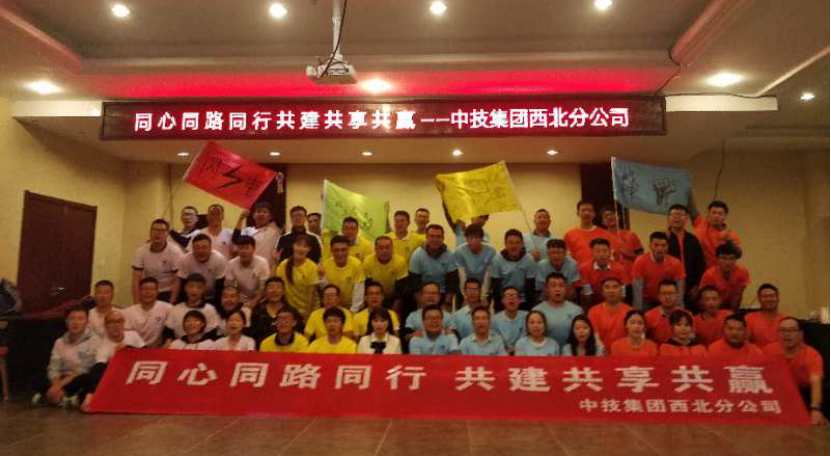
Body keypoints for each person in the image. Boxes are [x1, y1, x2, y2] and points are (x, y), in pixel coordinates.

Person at [763, 317, 827, 426]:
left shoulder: (812, 354)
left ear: (801, 334)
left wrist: (815, 409)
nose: (786, 334)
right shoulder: (768, 350)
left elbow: (816, 381)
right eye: (782, 330)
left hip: (803, 394)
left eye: (791, 330)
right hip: (777, 394)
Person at [32, 306, 99, 407]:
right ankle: (63, 398)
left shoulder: (93, 341)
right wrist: (56, 385)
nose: (75, 322)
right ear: (66, 321)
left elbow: (84, 369)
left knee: (88, 378)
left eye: (80, 319)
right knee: (37, 376)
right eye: (72, 318)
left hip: (78, 378)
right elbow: (54, 366)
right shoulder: (59, 342)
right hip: (61, 378)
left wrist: (59, 386)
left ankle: (50, 397)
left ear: (87, 322)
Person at [80, 310, 145, 412]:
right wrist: (115, 359)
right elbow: (98, 371)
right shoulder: (102, 346)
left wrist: (128, 349)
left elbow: (148, 354)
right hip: (116, 381)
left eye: (119, 321)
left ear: (123, 323)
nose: (116, 325)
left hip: (138, 377)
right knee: (89, 375)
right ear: (106, 326)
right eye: (112, 322)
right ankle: (89, 396)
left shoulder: (133, 335)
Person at [132, 219, 184, 303]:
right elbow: (136, 279)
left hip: (168, 291)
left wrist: (171, 303)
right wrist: (136, 303)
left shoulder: (175, 251)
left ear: (167, 234)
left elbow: (177, 280)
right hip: (149, 289)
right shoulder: (141, 251)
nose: (157, 233)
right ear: (150, 232)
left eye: (162, 231)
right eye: (155, 230)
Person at [666, 204, 707, 310]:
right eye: (674, 214)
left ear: (686, 218)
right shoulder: (664, 239)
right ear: (668, 218)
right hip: (669, 287)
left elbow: (700, 265)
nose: (677, 217)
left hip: (691, 287)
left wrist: (697, 286)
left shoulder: (693, 240)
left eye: (681, 215)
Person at [632, 232, 686, 311]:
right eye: (656, 245)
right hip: (647, 301)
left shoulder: (675, 263)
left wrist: (680, 310)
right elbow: (637, 292)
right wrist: (638, 313)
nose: (660, 249)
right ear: (650, 246)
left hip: (668, 300)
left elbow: (680, 291)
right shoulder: (640, 262)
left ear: (667, 247)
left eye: (663, 245)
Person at [409, 224, 458, 307]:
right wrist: (421, 303)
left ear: (443, 238)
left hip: (442, 293)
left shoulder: (450, 255)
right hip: (423, 294)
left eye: (438, 236)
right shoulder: (417, 255)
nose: (435, 239)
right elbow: (414, 283)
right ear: (426, 237)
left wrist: (447, 303)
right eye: (432, 236)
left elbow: (452, 282)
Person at [533, 273, 583, 347]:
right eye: (553, 286)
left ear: (566, 288)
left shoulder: (577, 311)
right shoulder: (537, 311)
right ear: (546, 289)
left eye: (561, 285)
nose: (557, 289)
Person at [164, 274, 220, 342]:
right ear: (185, 288)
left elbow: (212, 333)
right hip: (179, 345)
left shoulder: (210, 309)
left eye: (199, 287)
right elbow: (168, 330)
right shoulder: (176, 308)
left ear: (204, 289)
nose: (194, 290)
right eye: (191, 286)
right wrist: (169, 340)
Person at [491, 229, 537, 312]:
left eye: (517, 242)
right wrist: (498, 307)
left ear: (522, 244)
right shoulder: (497, 260)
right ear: (505, 244)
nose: (514, 246)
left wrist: (529, 308)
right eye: (510, 242)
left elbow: (530, 287)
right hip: (504, 300)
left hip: (523, 300)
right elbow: (496, 288)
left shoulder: (529, 260)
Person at [275, 234, 319, 318]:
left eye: (305, 246)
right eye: (298, 245)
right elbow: (274, 283)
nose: (301, 249)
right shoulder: (284, 265)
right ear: (293, 246)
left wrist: (307, 315)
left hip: (307, 310)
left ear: (309, 249)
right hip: (289, 311)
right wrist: (275, 262)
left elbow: (311, 295)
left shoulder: (312, 267)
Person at [175, 233, 227, 303]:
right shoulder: (185, 260)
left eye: (204, 247)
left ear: (210, 248)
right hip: (192, 296)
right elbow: (183, 284)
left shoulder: (219, 259)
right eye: (197, 247)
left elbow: (220, 285)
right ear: (192, 249)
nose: (201, 251)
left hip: (213, 296)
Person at [690, 199, 742, 268]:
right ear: (708, 214)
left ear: (725, 216)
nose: (716, 216)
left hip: (720, 271)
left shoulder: (731, 235)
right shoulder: (701, 224)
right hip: (701, 271)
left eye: (720, 214)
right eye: (713, 213)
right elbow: (692, 209)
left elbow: (738, 254)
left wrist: (729, 241)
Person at [578, 238, 630, 308]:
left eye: (605, 251)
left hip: (613, 300)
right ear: (592, 253)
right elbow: (588, 293)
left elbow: (622, 294)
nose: (601, 254)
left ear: (610, 252)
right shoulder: (584, 268)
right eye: (597, 251)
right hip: (592, 301)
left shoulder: (620, 268)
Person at [121, 277, 172, 348]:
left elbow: (171, 330)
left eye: (152, 289)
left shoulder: (167, 308)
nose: (148, 292)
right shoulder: (128, 312)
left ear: (157, 292)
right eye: (145, 289)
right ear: (139, 292)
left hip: (158, 349)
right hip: (135, 349)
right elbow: (126, 335)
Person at [362, 236, 409, 313]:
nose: (384, 251)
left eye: (388, 247)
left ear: (392, 248)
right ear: (375, 249)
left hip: (393, 296)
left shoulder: (400, 262)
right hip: (375, 295)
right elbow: (368, 288)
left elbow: (400, 291)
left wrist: (394, 312)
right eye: (381, 248)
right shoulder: (368, 262)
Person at [453, 224, 496, 303]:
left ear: (482, 238)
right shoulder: (460, 251)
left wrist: (483, 297)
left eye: (477, 237)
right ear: (466, 239)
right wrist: (465, 297)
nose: (473, 240)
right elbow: (462, 275)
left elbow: (488, 276)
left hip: (483, 288)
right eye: (470, 237)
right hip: (464, 289)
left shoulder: (491, 251)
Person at [699, 243, 750, 311]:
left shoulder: (742, 272)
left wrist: (732, 315)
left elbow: (737, 297)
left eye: (731, 258)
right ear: (717, 259)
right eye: (723, 258)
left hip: (731, 305)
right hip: (712, 305)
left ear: (735, 259)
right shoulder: (709, 275)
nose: (727, 262)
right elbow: (706, 299)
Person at [321, 235, 366, 312]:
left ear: (348, 249)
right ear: (331, 250)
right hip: (333, 307)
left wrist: (352, 312)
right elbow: (327, 292)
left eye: (343, 250)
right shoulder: (325, 266)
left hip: (353, 307)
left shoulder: (356, 264)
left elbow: (358, 292)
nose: (340, 254)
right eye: (336, 250)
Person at [224, 235, 270, 308]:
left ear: (254, 249)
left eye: (247, 248)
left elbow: (263, 288)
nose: (243, 251)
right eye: (241, 248)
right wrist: (240, 302)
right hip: (239, 299)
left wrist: (254, 302)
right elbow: (230, 287)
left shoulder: (262, 263)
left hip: (259, 299)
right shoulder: (231, 264)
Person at [233, 202, 282, 269]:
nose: (261, 214)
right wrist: (241, 219)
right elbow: (235, 239)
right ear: (253, 215)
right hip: (248, 269)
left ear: (270, 216)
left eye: (265, 212)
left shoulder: (275, 230)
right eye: (258, 212)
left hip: (267, 269)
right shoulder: (247, 230)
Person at [564, 200, 614, 265]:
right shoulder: (569, 235)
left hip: (599, 270)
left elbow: (610, 257)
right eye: (583, 210)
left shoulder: (605, 234)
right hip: (578, 270)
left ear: (594, 214)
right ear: (578, 213)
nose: (586, 213)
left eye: (590, 210)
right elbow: (568, 258)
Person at [588, 277, 632, 350]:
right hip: (601, 352)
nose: (611, 291)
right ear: (602, 292)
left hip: (624, 352)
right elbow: (594, 335)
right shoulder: (593, 311)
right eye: (607, 287)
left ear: (621, 291)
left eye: (615, 287)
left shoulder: (630, 311)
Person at [644, 280, 693, 344]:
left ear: (677, 295)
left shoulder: (687, 315)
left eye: (671, 293)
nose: (667, 297)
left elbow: (691, 338)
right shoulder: (648, 316)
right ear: (658, 296)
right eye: (664, 293)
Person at [600, 205, 644, 275]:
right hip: (611, 277)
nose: (609, 217)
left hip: (632, 276)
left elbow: (642, 259)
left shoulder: (631, 235)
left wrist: (627, 254)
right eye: (606, 216)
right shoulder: (601, 238)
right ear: (603, 221)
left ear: (618, 217)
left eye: (612, 214)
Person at [746, 283, 786, 348]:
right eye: (764, 296)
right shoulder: (749, 318)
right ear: (759, 299)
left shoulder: (785, 320)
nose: (769, 299)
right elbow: (745, 344)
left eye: (772, 296)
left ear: (778, 298)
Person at [493, 287, 528, 353]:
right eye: (508, 296)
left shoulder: (528, 317)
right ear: (502, 300)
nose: (511, 298)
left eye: (514, 296)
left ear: (519, 300)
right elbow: (495, 341)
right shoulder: (494, 320)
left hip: (524, 352)